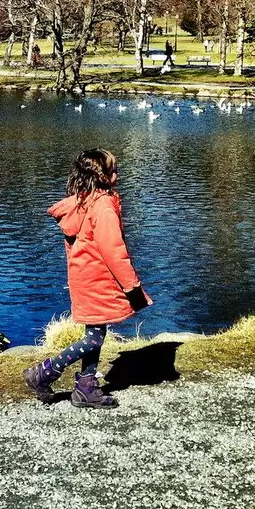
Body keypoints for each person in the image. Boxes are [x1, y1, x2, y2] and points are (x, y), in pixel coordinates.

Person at [23, 148, 152, 409]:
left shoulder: (83, 200)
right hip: (97, 278)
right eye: (114, 169)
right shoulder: (103, 206)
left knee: (96, 331)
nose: (117, 172)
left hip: (84, 276)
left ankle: (86, 388)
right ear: (103, 176)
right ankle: (44, 373)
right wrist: (132, 287)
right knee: (93, 338)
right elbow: (114, 251)